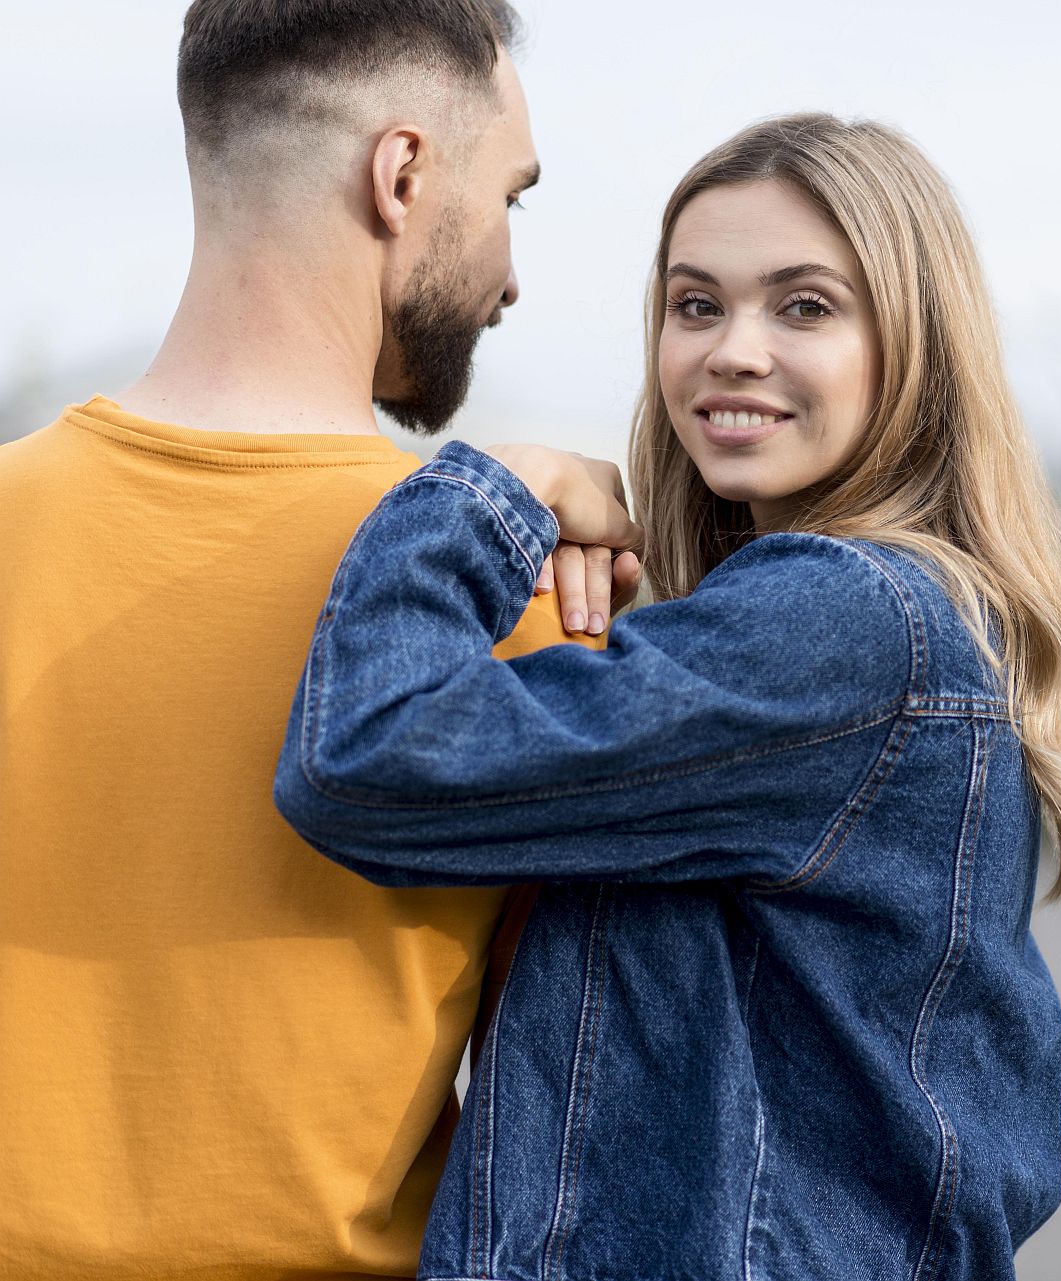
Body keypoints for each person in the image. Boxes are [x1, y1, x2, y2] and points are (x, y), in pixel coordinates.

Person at [273, 113, 1061, 1279]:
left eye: (806, 307)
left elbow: (368, 757)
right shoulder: (898, 618)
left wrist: (495, 494)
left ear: (916, 345)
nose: (733, 350)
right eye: (697, 305)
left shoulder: (846, 620)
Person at [0, 3, 634, 1276]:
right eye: (512, 196)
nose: (514, 276)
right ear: (401, 176)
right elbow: (561, 1105)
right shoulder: (532, 604)